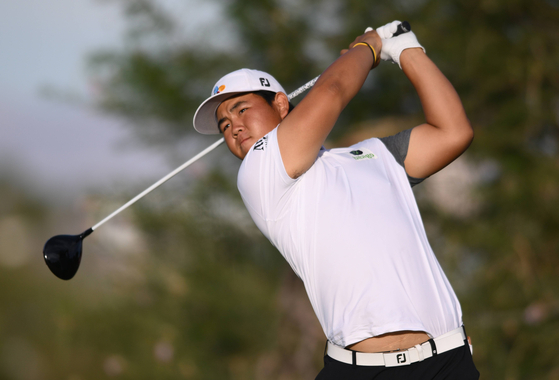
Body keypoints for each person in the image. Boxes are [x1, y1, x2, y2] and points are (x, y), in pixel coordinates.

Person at [193, 20, 479, 380]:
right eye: (223, 125)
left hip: (446, 360)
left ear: (281, 104)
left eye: (241, 109)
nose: (232, 126)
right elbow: (331, 92)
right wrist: (368, 47)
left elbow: (453, 131)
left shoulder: (376, 154)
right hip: (360, 371)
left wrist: (407, 49)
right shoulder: (258, 172)